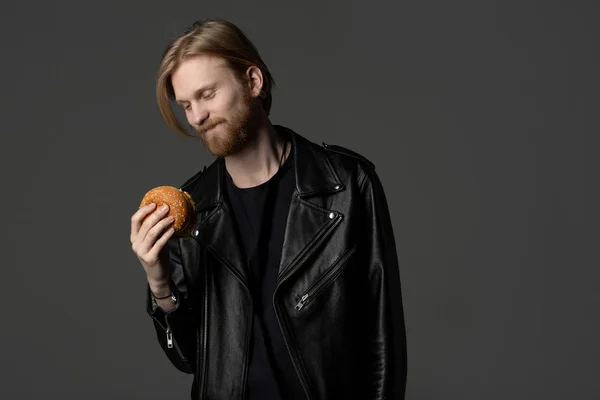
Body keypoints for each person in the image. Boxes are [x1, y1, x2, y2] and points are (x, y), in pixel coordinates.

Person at [130, 18, 407, 400]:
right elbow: (190, 360)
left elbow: (383, 338)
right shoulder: (192, 210)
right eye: (186, 105)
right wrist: (158, 281)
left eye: (208, 94)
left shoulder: (345, 185)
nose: (197, 117)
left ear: (253, 82)